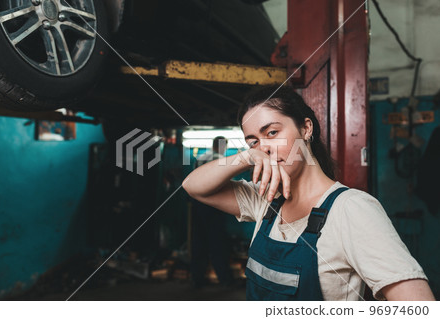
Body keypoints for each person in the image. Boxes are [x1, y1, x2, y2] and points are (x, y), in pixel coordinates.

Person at [183, 85, 435, 301]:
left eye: (272, 133)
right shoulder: (265, 202)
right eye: (254, 141)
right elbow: (193, 186)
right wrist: (247, 155)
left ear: (305, 129)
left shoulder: (352, 210)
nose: (264, 148)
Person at [190, 136, 234, 288]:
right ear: (222, 146)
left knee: (198, 242)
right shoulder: (219, 159)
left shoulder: (201, 157)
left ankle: (197, 279)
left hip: (198, 204)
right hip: (214, 204)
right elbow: (222, 183)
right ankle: (225, 280)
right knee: (217, 243)